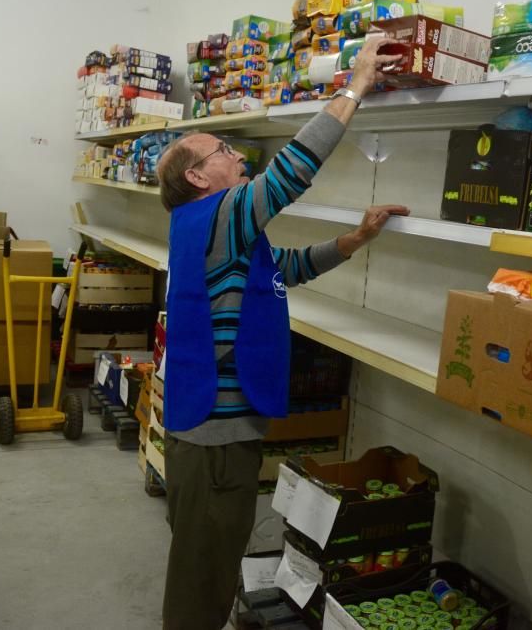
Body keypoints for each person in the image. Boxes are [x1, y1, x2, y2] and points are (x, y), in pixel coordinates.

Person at [156, 36, 407, 629]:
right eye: (223, 149)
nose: (238, 155)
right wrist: (359, 84)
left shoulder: (203, 225)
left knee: (204, 561)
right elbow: (293, 171)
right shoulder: (222, 211)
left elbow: (279, 272)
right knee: (203, 579)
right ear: (197, 176)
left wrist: (354, 241)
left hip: (206, 433)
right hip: (215, 442)